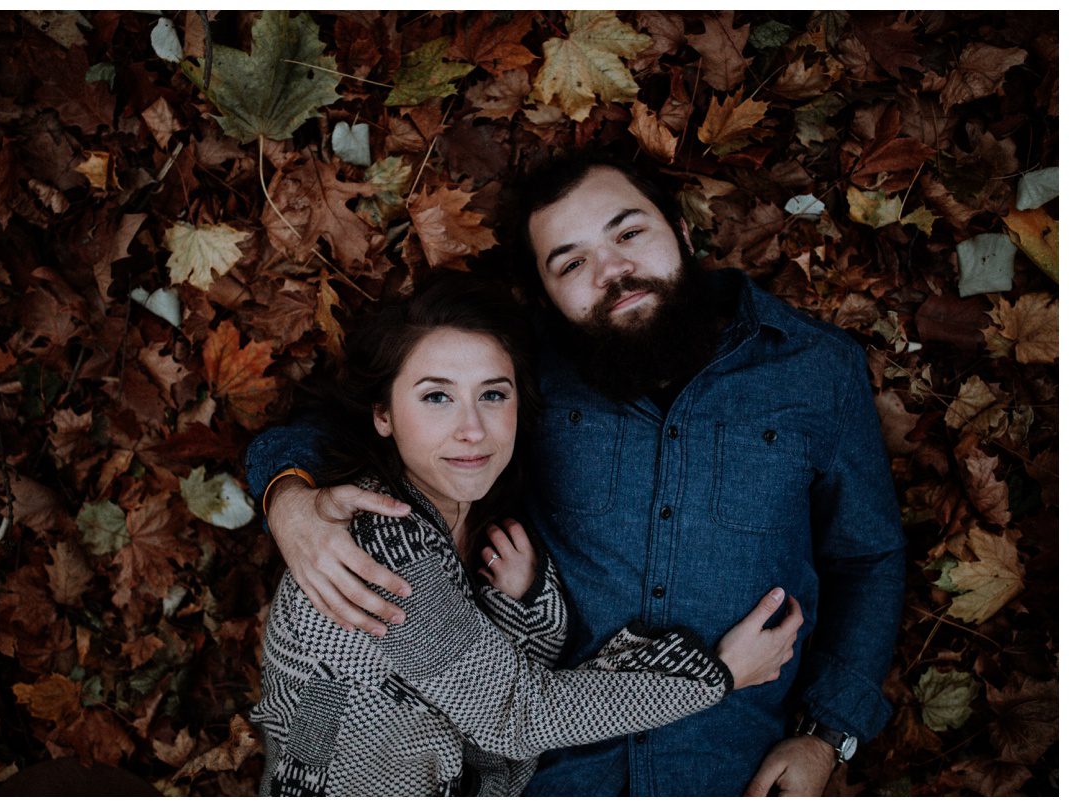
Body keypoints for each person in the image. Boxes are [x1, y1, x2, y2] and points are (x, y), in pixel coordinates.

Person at [246, 153, 907, 796]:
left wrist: (827, 733)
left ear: (678, 229)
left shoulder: (816, 369)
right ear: (546, 295)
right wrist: (289, 498)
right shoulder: (519, 369)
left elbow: (868, 554)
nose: (613, 270)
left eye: (629, 232)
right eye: (572, 262)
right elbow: (360, 419)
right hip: (551, 768)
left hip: (728, 771)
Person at [249, 275, 802, 796]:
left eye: (492, 394)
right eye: (436, 397)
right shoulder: (385, 540)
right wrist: (720, 675)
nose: (472, 428)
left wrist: (517, 607)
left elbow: (479, 705)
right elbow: (516, 716)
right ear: (383, 415)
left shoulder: (473, 519)